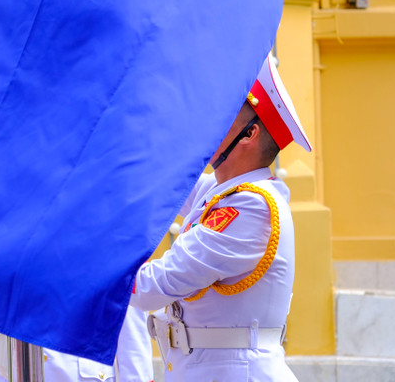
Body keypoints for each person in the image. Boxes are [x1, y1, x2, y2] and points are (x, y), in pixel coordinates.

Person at [130, 54, 311, 382]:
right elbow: (156, 187)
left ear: (250, 134)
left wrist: (90, 270)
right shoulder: (220, 191)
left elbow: (153, 287)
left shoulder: (249, 208)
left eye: (223, 115)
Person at [0, 306, 155, 382]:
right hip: (4, 369)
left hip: (74, 373)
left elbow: (132, 335)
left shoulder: (111, 238)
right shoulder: (9, 230)